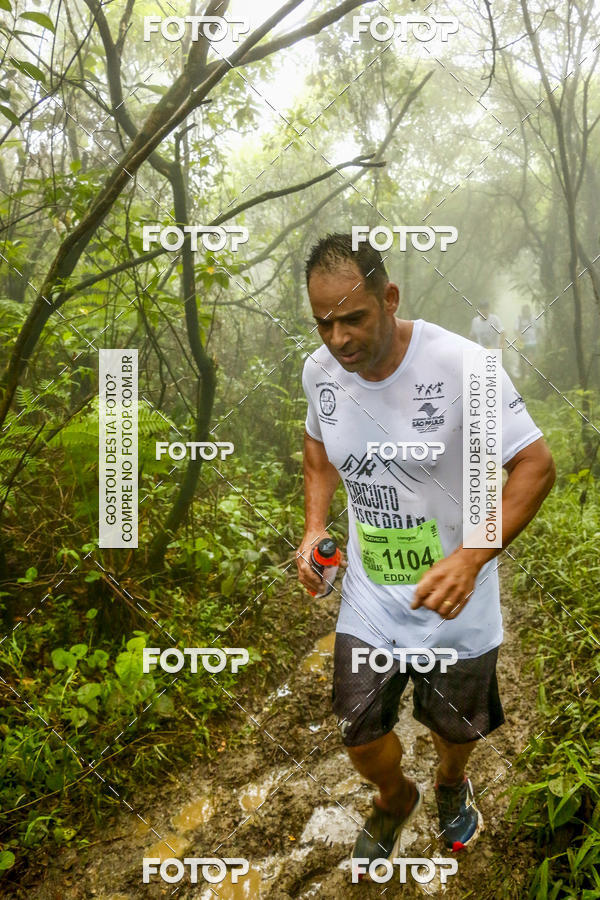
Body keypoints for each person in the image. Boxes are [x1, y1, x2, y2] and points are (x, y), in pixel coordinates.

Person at [296, 233, 555, 875]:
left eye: (352, 318)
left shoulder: (464, 367)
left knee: (455, 729)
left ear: (390, 299)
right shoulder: (321, 373)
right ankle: (395, 795)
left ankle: (448, 784)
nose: (337, 339)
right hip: (372, 599)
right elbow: (318, 451)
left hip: (455, 606)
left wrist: (470, 557)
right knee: (359, 730)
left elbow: (535, 466)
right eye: (323, 322)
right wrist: (314, 528)